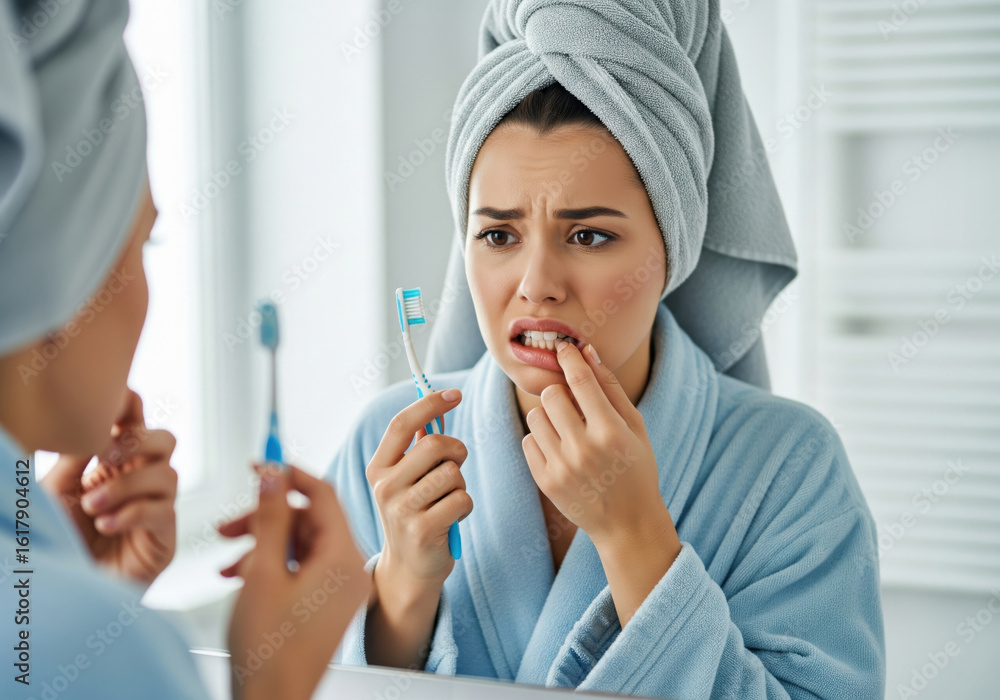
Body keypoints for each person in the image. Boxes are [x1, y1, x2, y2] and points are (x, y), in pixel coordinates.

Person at [325, 1, 886, 699]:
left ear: (671, 251)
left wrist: (636, 538)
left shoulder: (792, 468)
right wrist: (400, 591)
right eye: (498, 235)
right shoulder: (387, 446)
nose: (536, 286)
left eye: (587, 235)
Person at [0, 1, 368, 698]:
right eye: (143, 242)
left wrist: (47, 563)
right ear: (59, 265)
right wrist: (276, 684)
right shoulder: (92, 645)